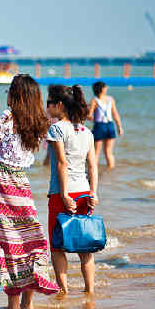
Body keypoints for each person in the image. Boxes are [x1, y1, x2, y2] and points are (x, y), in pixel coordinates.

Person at [0, 74, 59, 309]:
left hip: (0, 183)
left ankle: (13, 307)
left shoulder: (7, 118)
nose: (7, 95)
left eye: (10, 91)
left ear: (17, 95)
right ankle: (27, 304)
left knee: (9, 244)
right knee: (28, 240)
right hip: (21, 185)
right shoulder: (39, 121)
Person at [46, 85, 99, 294]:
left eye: (49, 102)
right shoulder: (87, 132)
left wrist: (64, 194)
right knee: (85, 246)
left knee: (58, 246)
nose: (47, 106)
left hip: (63, 194)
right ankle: (90, 290)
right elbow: (93, 165)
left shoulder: (57, 128)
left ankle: (64, 291)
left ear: (59, 105)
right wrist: (94, 192)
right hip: (85, 192)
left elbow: (61, 163)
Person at [87, 81, 123, 169]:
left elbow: (89, 115)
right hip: (110, 125)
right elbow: (115, 113)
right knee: (108, 152)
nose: (106, 88)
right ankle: (110, 170)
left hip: (99, 126)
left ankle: (94, 172)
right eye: (105, 87)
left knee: (96, 152)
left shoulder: (94, 100)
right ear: (102, 89)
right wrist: (119, 127)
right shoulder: (110, 99)